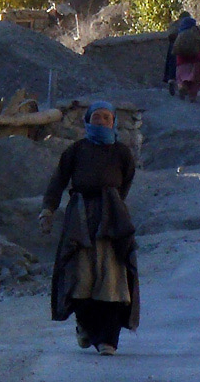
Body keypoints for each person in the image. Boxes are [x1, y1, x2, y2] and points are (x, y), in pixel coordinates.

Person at [38, 101, 139, 357]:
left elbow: (125, 182)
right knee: (80, 278)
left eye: (106, 117)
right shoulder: (76, 151)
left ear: (113, 122)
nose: (101, 121)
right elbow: (58, 181)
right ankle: (86, 327)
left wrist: (113, 204)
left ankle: (108, 340)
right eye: (96, 117)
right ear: (87, 120)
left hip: (112, 220)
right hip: (80, 219)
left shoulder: (122, 153)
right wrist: (48, 210)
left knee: (113, 279)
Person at [173, 16, 200, 102]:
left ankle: (182, 87)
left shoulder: (180, 32)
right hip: (195, 61)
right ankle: (192, 97)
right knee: (195, 80)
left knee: (182, 79)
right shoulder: (196, 32)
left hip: (181, 62)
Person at [163, 10, 191, 96]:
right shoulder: (189, 25)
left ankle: (171, 80)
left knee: (172, 65)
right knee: (185, 66)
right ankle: (183, 85)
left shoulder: (174, 24)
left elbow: (169, 35)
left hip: (173, 47)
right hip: (185, 48)